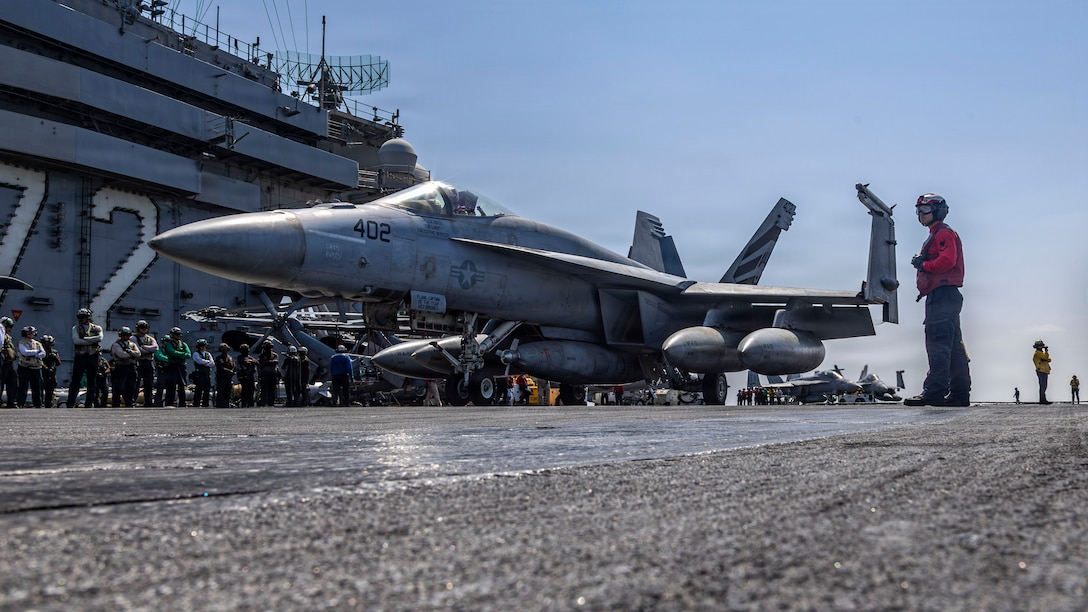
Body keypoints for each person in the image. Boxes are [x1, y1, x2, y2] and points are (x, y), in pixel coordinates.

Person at [903, 194, 971, 407]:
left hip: (941, 296)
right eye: (918, 211)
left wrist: (924, 265)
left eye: (924, 210)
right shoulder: (939, 234)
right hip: (947, 296)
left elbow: (947, 261)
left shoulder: (943, 234)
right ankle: (960, 394)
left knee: (937, 344)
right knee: (953, 346)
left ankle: (934, 392)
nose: (920, 215)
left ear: (937, 211)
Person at [68, 308, 103, 408]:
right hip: (81, 356)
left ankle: (90, 403)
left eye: (83, 317)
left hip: (93, 356)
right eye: (80, 317)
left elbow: (100, 338)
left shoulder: (97, 328)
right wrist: (92, 340)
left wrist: (85, 339)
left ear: (88, 317)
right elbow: (76, 341)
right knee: (75, 380)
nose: (81, 319)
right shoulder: (75, 328)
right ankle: (70, 403)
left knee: (92, 381)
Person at [109, 327, 141, 407]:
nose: (126, 337)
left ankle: (129, 402)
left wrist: (129, 351)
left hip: (131, 367)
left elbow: (138, 354)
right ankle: (116, 403)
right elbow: (121, 355)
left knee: (131, 386)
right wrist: (132, 354)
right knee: (119, 386)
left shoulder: (132, 344)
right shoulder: (116, 345)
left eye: (127, 335)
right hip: (120, 367)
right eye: (124, 335)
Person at [16, 325, 46, 408]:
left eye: (32, 333)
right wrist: (36, 352)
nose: (30, 335)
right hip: (25, 367)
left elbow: (43, 354)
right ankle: (20, 403)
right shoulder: (21, 343)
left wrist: (34, 354)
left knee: (37, 387)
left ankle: (38, 404)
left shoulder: (38, 343)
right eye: (28, 333)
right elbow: (24, 352)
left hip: (36, 368)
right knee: (23, 386)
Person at [160, 327, 190, 406]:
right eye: (176, 334)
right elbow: (171, 352)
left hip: (181, 366)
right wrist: (182, 354)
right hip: (172, 366)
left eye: (179, 334)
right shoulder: (169, 344)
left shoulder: (183, 344)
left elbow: (188, 354)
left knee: (182, 385)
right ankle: (170, 402)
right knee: (171, 384)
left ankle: (182, 403)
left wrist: (179, 355)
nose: (178, 336)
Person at [133, 320, 158, 406]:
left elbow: (155, 348)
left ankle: (148, 401)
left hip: (149, 362)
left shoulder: (150, 338)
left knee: (149, 383)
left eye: (145, 328)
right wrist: (148, 350)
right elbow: (138, 350)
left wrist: (144, 347)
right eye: (142, 327)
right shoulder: (133, 338)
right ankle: (133, 400)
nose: (143, 329)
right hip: (138, 362)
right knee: (136, 382)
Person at [191, 338, 214, 407]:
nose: (203, 347)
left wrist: (205, 363)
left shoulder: (208, 354)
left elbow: (212, 363)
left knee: (207, 388)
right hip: (199, 373)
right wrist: (207, 362)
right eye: (202, 346)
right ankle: (196, 403)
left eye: (204, 346)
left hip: (207, 373)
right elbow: (199, 361)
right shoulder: (196, 354)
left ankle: (205, 403)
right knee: (199, 388)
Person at [0, 317, 17, 407]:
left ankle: (12, 401)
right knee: (1, 382)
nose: (10, 329)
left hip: (9, 362)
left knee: (13, 382)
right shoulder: (1, 335)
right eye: (9, 326)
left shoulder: (7, 337)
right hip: (3, 361)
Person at [257, 340, 280, 406]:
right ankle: (264, 402)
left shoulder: (274, 355)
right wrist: (270, 362)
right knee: (264, 389)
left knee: (272, 389)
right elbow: (262, 363)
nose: (267, 349)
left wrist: (268, 362)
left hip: (273, 373)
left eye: (269, 347)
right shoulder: (261, 356)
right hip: (264, 374)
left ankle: (271, 402)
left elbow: (276, 362)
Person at [41, 335, 60, 408]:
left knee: (50, 390)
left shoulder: (54, 352)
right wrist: (45, 368)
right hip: (43, 372)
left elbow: (58, 363)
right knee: (41, 388)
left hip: (52, 373)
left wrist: (54, 357)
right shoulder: (41, 352)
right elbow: (39, 361)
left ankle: (48, 403)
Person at [214, 343, 236, 408]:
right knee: (220, 392)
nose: (224, 351)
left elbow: (234, 366)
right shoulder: (218, 358)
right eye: (223, 349)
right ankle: (219, 404)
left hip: (228, 378)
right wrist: (229, 371)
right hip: (221, 377)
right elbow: (220, 367)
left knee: (228, 391)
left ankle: (226, 404)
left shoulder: (230, 358)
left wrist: (232, 371)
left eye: (226, 349)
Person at [236, 343, 257, 408]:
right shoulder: (240, 357)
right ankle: (244, 404)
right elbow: (245, 363)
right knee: (245, 390)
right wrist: (251, 362)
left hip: (250, 375)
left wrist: (251, 361)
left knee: (251, 389)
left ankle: (250, 403)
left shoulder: (249, 357)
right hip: (244, 376)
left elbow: (256, 362)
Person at [1033, 340, 1052, 405]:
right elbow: (1046, 357)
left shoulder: (1041, 353)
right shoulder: (1038, 353)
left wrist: (1045, 358)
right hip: (1041, 370)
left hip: (1044, 371)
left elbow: (1049, 359)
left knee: (1044, 386)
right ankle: (1042, 400)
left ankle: (1043, 399)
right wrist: (1046, 352)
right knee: (1042, 386)